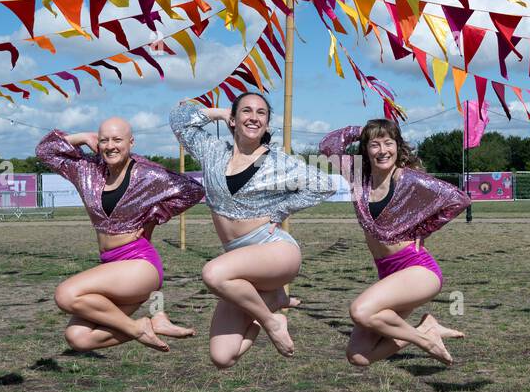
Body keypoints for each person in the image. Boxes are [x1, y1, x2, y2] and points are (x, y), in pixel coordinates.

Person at [170, 92, 336, 367]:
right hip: (239, 265)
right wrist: (221, 112)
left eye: (261, 113)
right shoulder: (213, 151)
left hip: (274, 250)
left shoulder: (277, 162)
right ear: (233, 120)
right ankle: (271, 303)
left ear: (268, 125)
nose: (254, 117)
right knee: (223, 356)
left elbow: (324, 183)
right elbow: (179, 119)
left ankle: (271, 322)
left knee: (213, 273)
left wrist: (280, 211)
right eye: (246, 111)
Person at [36, 117, 204, 353]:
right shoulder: (88, 169)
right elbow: (46, 151)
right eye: (104, 140)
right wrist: (83, 137)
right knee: (78, 338)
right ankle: (147, 324)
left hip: (139, 265)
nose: (110, 146)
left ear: (131, 142)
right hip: (112, 267)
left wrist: (155, 214)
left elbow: (193, 190)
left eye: (117, 139)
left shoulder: (148, 174)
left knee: (66, 295)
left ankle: (139, 329)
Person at [318, 119, 469, 366]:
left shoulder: (408, 179)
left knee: (361, 311)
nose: (382, 151)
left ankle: (425, 341)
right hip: (388, 273)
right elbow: (328, 144)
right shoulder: (358, 177)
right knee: (359, 356)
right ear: (365, 149)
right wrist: (363, 130)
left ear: (398, 147)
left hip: (417, 270)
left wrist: (423, 229)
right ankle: (426, 329)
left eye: (389, 143)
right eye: (374, 144)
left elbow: (458, 199)